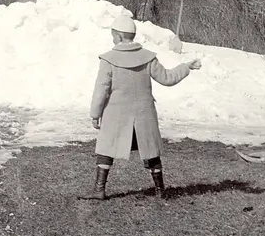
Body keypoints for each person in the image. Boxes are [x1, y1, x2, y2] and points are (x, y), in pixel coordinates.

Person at [79, 13, 201, 201]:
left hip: (115, 116)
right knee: (150, 150)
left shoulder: (108, 60)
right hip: (144, 115)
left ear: (118, 35)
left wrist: (95, 114)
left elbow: (101, 89)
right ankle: (160, 191)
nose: (113, 38)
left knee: (105, 149)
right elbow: (167, 78)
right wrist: (186, 66)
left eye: (113, 35)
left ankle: (99, 190)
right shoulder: (147, 57)